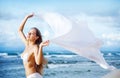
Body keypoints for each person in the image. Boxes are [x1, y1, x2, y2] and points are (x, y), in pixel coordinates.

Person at [18, 13, 49, 78]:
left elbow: (38, 62)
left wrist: (40, 47)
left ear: (36, 37)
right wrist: (26, 17)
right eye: (29, 32)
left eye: (31, 33)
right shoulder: (27, 44)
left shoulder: (35, 47)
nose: (28, 34)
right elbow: (20, 30)